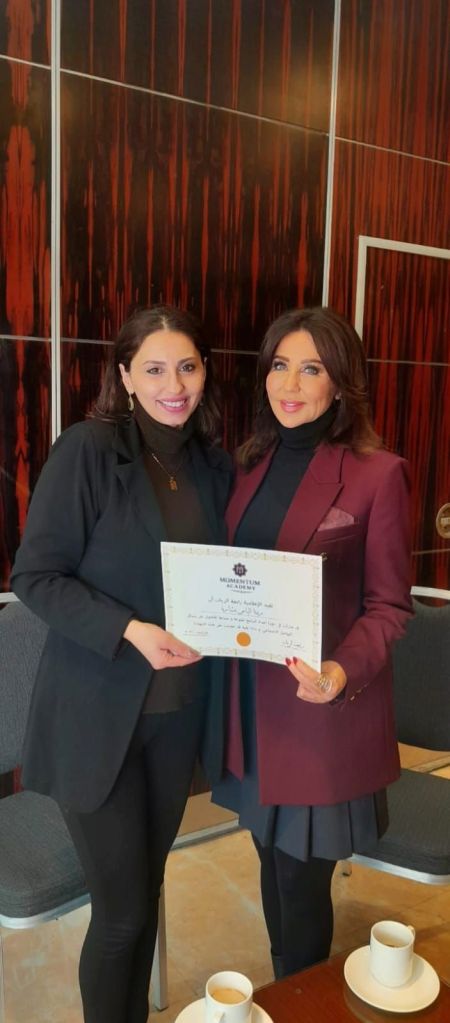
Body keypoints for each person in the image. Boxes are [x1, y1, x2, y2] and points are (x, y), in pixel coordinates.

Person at [11, 306, 232, 1023]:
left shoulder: (213, 465)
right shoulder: (88, 450)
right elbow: (35, 576)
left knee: (146, 891)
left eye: (188, 366)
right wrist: (130, 629)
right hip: (94, 719)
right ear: (126, 376)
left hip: (176, 716)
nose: (175, 385)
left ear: (205, 372)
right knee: (122, 914)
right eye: (155, 368)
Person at [212, 306, 412, 979]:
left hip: (318, 714)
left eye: (311, 368)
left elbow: (389, 606)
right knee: (269, 864)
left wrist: (339, 670)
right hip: (249, 711)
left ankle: (298, 996)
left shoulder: (377, 474)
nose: (290, 383)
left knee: (300, 887)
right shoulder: (247, 466)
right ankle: (287, 990)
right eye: (279, 365)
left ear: (341, 382)